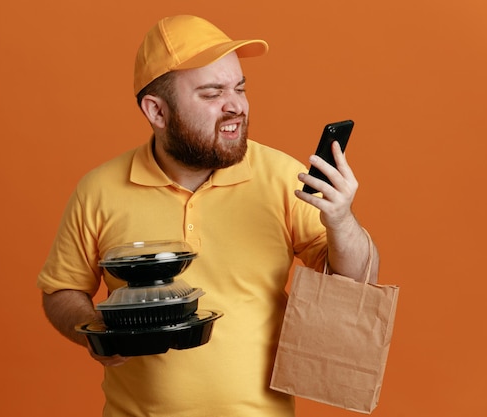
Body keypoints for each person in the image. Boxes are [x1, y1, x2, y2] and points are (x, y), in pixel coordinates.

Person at [38, 14, 379, 417]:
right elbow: (61, 290)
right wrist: (98, 332)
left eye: (239, 88)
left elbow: (356, 285)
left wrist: (341, 222)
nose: (234, 105)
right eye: (212, 92)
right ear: (157, 112)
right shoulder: (99, 190)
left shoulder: (283, 177)